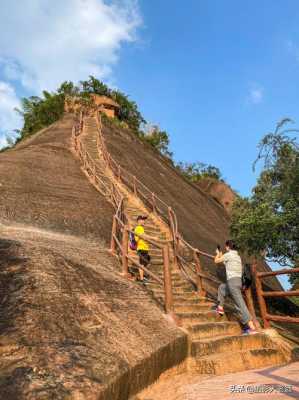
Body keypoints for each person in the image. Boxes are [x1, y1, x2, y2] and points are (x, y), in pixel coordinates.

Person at [214, 240, 257, 335]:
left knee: (239, 304)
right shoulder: (237, 257)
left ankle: (252, 328)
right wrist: (222, 256)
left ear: (228, 247)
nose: (226, 248)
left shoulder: (229, 255)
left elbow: (216, 261)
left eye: (226, 246)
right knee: (222, 288)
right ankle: (220, 307)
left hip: (232, 282)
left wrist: (217, 254)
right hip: (237, 282)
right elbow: (227, 263)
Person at [134, 215, 151, 283]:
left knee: (146, 261)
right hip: (141, 248)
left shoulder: (141, 228)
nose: (144, 221)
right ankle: (141, 278)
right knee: (142, 263)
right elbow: (144, 235)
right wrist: (154, 238)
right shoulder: (139, 227)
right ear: (138, 221)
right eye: (142, 220)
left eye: (144, 220)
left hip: (144, 248)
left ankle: (142, 276)